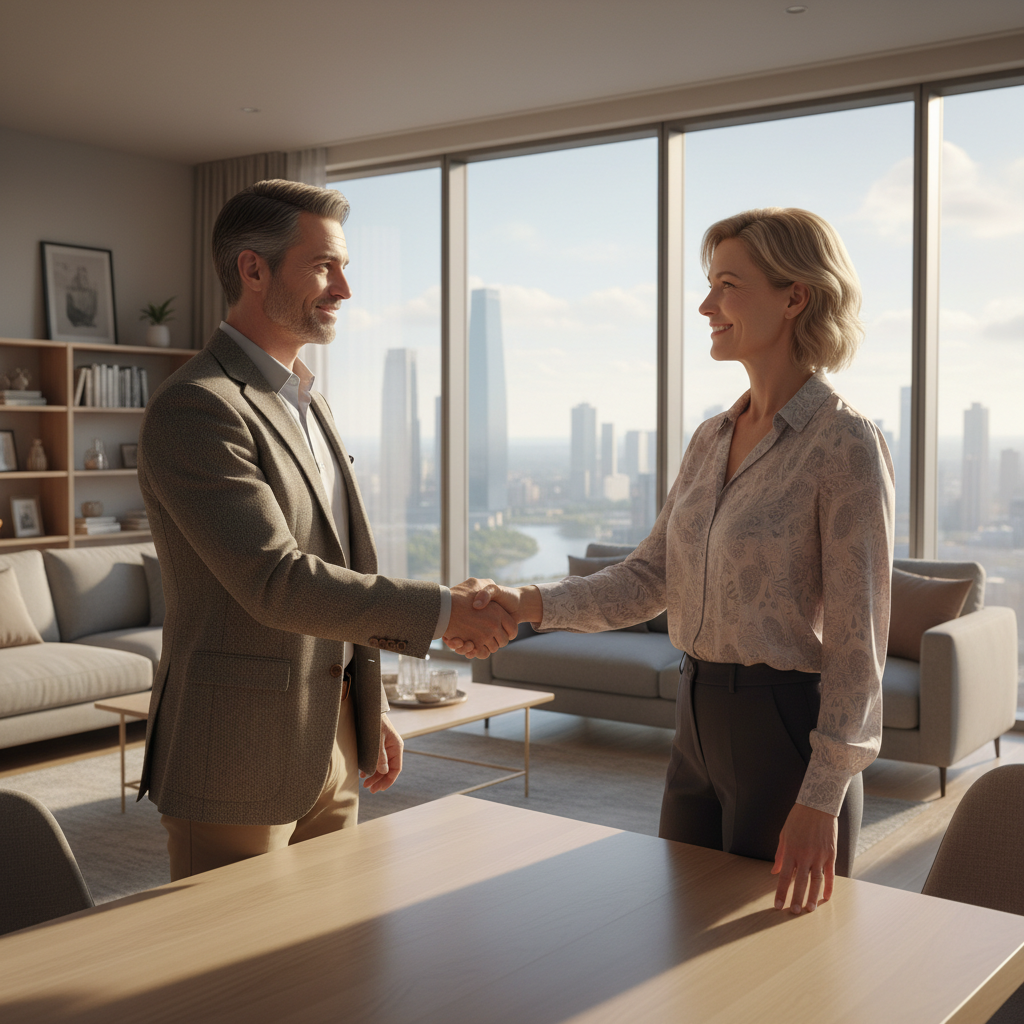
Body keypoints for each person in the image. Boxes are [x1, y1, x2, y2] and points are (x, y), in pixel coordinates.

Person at [449, 208, 895, 915]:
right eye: (707, 283)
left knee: (773, 966)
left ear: (795, 296)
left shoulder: (844, 444)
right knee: (679, 928)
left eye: (727, 284)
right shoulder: (711, 437)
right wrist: (523, 601)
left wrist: (822, 797)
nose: (705, 304)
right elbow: (648, 578)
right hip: (696, 719)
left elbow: (857, 643)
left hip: (784, 732)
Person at [137, 179, 514, 881]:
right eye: (324, 266)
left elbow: (330, 564)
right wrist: (441, 609)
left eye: (344, 267)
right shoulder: (198, 407)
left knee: (333, 966)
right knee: (231, 978)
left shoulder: (310, 403)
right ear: (254, 268)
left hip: (332, 743)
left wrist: (360, 709)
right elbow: (276, 581)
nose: (344, 288)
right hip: (235, 754)